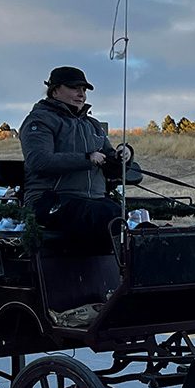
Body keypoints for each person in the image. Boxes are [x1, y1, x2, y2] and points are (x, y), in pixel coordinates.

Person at [20, 66, 131, 252]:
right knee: (101, 214)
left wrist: (122, 156)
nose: (81, 94)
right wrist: (87, 158)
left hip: (91, 201)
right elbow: (39, 161)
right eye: (74, 88)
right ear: (55, 91)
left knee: (118, 214)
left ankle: (110, 272)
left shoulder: (93, 126)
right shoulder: (39, 121)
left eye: (84, 90)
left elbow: (111, 166)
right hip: (50, 200)